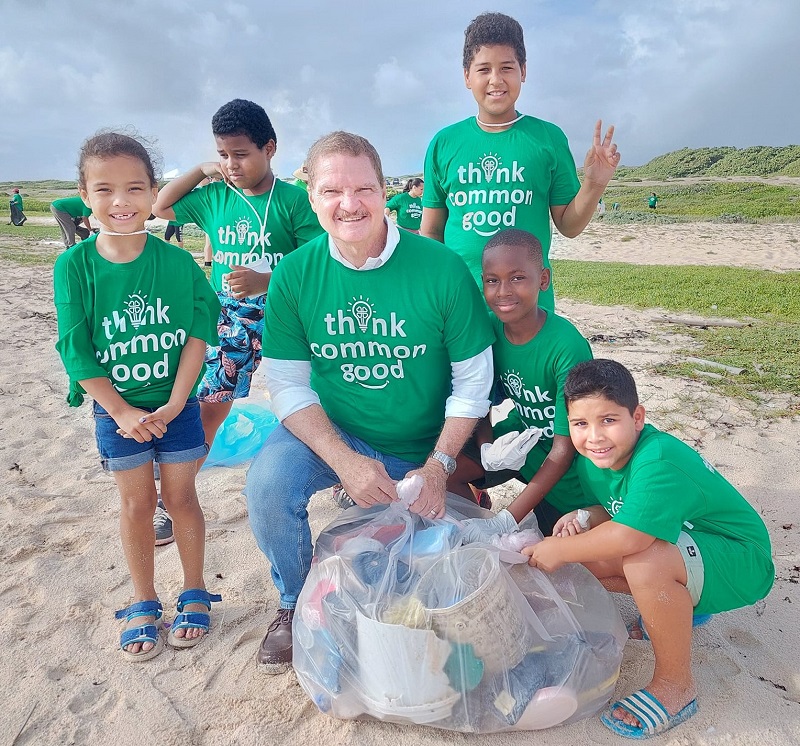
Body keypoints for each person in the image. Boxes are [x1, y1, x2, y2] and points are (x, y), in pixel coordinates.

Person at [244, 131, 495, 673]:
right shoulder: (293, 273)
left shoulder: (441, 267)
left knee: (422, 578)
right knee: (267, 483)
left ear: (386, 193)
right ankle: (292, 600)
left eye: (363, 189)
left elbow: (474, 379)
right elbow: (287, 384)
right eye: (332, 190)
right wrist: (344, 462)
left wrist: (439, 465)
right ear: (310, 196)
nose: (349, 204)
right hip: (340, 433)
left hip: (422, 444)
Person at [523, 359, 774, 738]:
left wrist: (556, 551)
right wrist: (586, 516)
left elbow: (631, 536)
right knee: (585, 558)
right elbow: (618, 509)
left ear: (637, 417)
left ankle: (676, 685)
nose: (594, 436)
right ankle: (681, 608)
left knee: (644, 562)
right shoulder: (597, 460)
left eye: (608, 420)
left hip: (741, 560)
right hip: (692, 544)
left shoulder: (657, 458)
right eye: (580, 424)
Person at [53, 131, 223, 661]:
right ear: (85, 196)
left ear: (154, 194)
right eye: (105, 190)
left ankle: (194, 591)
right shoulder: (74, 267)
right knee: (136, 504)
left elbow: (198, 332)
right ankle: (144, 599)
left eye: (134, 188)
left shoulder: (176, 264)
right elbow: (77, 352)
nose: (121, 202)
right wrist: (121, 410)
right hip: (114, 411)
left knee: (181, 500)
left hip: (177, 405)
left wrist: (176, 403)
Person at [152, 99, 323, 458]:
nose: (232, 164)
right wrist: (201, 170)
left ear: (270, 148)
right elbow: (160, 206)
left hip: (285, 313)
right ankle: (176, 487)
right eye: (223, 154)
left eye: (241, 153)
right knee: (212, 401)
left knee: (314, 394)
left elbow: (318, 266)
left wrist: (267, 281)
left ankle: (336, 471)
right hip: (228, 317)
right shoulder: (214, 196)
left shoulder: (294, 201)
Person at [421, 12, 621, 310]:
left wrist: (594, 183)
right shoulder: (443, 143)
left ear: (523, 71)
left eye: (506, 68)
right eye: (483, 69)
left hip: (529, 312)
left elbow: (568, 225)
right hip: (459, 309)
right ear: (466, 76)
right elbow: (432, 233)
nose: (496, 80)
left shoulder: (547, 139)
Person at [449, 229, 593, 537]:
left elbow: (564, 448)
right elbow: (479, 398)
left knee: (558, 543)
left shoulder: (566, 347)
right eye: (492, 280)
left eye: (517, 278)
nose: (503, 291)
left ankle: (503, 523)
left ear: (543, 280)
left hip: (566, 465)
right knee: (446, 470)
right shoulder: (488, 330)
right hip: (521, 438)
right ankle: (474, 518)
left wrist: (508, 519)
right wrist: (487, 446)